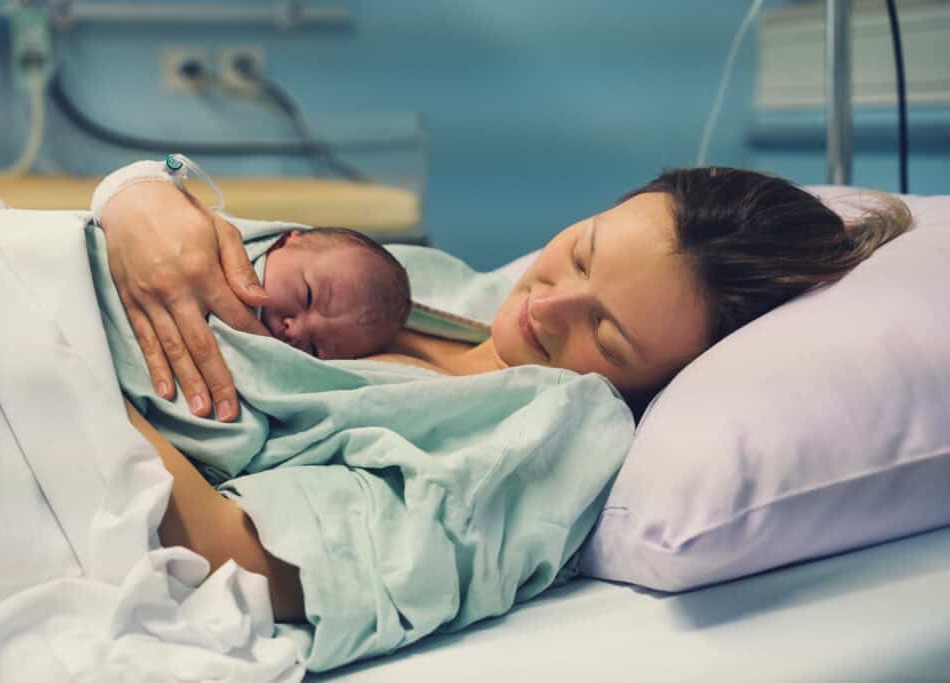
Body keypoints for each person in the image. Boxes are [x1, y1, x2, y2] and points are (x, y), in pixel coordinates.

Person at [98, 165, 910, 634]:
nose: (546, 306)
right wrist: (135, 195)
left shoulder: (538, 440)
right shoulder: (451, 289)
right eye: (583, 252)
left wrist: (78, 367)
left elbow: (235, 554)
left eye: (608, 333)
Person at [250, 225, 411, 360]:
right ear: (285, 242)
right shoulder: (237, 244)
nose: (295, 331)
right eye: (308, 297)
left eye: (314, 350)